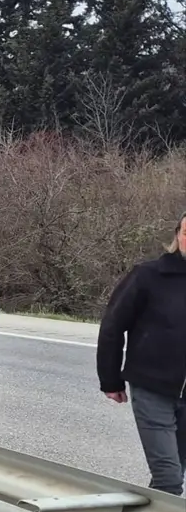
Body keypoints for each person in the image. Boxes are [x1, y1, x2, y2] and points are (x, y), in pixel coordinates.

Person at [97, 213, 186, 497]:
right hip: (153, 387)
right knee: (169, 478)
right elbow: (113, 326)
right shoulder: (148, 276)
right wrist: (110, 379)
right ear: (177, 235)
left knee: (174, 471)